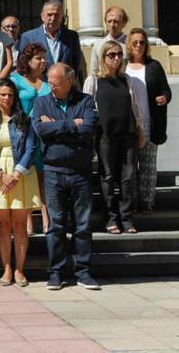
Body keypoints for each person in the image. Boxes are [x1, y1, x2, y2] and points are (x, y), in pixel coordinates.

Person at [32, 63, 100, 291]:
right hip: (53, 172)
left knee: (82, 224)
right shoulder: (42, 101)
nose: (51, 87)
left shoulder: (86, 101)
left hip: (80, 172)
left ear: (70, 81)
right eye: (49, 82)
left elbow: (89, 129)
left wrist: (57, 128)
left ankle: (83, 271)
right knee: (56, 225)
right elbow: (41, 130)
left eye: (56, 83)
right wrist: (72, 124)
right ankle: (56, 272)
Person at [0, 79, 40, 287]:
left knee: (20, 225)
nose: (7, 98)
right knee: (3, 225)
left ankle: (20, 269)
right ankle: (6, 268)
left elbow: (31, 148)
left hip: (20, 174)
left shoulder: (24, 119)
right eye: (3, 94)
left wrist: (15, 174)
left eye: (10, 95)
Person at [83, 41, 145, 235]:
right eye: (111, 55)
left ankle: (126, 219)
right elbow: (87, 108)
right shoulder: (93, 80)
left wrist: (141, 131)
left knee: (127, 178)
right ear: (103, 58)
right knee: (108, 177)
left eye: (119, 54)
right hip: (105, 136)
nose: (116, 58)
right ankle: (111, 218)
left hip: (127, 135)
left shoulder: (127, 79)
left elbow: (135, 108)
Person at [126, 28, 171, 213]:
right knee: (130, 166)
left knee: (148, 167)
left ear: (146, 45)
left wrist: (165, 98)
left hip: (150, 123)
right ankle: (132, 202)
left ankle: (147, 202)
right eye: (135, 42)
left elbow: (166, 90)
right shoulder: (122, 65)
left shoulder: (154, 66)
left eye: (142, 42)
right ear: (129, 44)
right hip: (129, 125)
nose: (138, 46)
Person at [11, 42, 51, 235]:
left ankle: (46, 218)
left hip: (44, 137)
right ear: (27, 60)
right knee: (25, 178)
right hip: (23, 134)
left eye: (45, 58)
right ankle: (27, 222)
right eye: (38, 58)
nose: (43, 61)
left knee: (43, 179)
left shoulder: (49, 81)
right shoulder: (16, 79)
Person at [18, 0, 84, 81]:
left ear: (62, 17)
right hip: (38, 88)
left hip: (64, 88)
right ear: (42, 16)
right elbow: (22, 65)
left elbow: (75, 64)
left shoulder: (72, 36)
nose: (53, 18)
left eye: (56, 15)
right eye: (49, 15)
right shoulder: (28, 37)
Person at [89, 6, 129, 78]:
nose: (112, 25)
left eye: (116, 21)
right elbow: (94, 73)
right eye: (109, 21)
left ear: (124, 23)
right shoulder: (98, 45)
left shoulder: (130, 44)